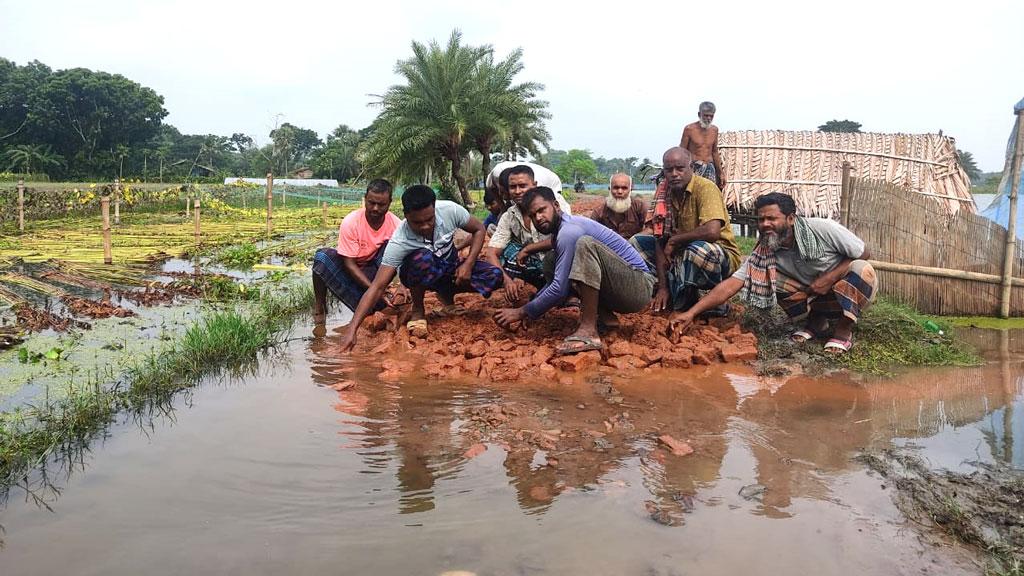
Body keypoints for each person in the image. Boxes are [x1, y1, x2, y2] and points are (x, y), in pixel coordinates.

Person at [670, 192, 878, 354]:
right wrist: (691, 313)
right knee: (767, 277)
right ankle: (816, 322)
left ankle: (844, 328)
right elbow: (733, 283)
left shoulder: (823, 229)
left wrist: (829, 277)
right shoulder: (765, 249)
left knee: (862, 269)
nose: (765, 224)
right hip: (815, 296)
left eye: (772, 218)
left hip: (847, 291)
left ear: (790, 218)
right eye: (761, 219)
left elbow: (864, 253)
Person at [494, 187, 655, 355]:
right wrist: (530, 312)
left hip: (638, 287)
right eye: (533, 215)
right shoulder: (562, 231)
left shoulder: (569, 231)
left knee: (585, 245)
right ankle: (607, 318)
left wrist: (521, 312)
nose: (539, 218)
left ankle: (588, 331)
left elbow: (560, 289)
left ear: (556, 206)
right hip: (622, 286)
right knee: (551, 260)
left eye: (542, 210)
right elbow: (553, 284)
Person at [340, 185, 502, 351]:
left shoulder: (450, 210)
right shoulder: (399, 240)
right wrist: (352, 329)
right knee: (421, 258)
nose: (425, 226)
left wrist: (468, 264)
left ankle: (447, 293)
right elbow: (377, 286)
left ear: (434, 208)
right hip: (424, 272)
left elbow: (479, 229)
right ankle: (418, 308)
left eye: (429, 220)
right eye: (417, 222)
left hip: (451, 267)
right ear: (406, 215)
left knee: (494, 275)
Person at [635, 147, 741, 312]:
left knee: (696, 250)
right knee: (636, 244)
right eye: (669, 170)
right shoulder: (664, 192)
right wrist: (663, 287)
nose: (674, 174)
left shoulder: (706, 188)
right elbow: (659, 239)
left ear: (691, 168)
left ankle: (690, 303)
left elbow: (712, 232)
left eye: (680, 168)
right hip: (680, 252)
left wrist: (675, 240)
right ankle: (660, 292)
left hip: (717, 256)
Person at [312, 179, 403, 321]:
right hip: (351, 270)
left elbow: (404, 259)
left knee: (392, 246)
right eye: (371, 203)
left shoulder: (397, 225)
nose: (375, 208)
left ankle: (371, 301)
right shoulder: (351, 222)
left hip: (375, 272)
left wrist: (402, 286)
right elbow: (349, 264)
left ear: (389, 203)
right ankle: (319, 307)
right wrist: (376, 291)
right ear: (365, 199)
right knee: (322, 257)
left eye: (381, 204)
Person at [486, 164, 573, 304]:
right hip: (538, 265)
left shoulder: (553, 202)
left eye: (522, 185)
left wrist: (528, 249)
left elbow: (568, 238)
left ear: (534, 185)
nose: (518, 191)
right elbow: (491, 253)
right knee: (507, 254)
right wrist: (506, 281)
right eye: (513, 187)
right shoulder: (509, 216)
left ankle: (569, 294)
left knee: (561, 253)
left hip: (559, 262)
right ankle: (542, 289)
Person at [680, 101, 726, 189]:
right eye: (706, 115)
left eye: (711, 116)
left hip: (709, 168)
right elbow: (682, 151)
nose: (708, 118)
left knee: (709, 195)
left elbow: (715, 152)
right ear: (699, 114)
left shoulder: (714, 130)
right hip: (693, 168)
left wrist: (720, 173)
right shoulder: (689, 129)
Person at [590, 172, 647, 240]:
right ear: (610, 189)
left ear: (630, 190)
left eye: (624, 188)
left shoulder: (639, 206)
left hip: (633, 248)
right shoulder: (599, 211)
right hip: (608, 247)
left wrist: (634, 240)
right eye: (616, 188)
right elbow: (591, 232)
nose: (620, 191)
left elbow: (650, 229)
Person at [486, 160, 563, 205]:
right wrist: (503, 208)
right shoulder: (496, 173)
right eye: (512, 187)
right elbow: (491, 188)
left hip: (552, 183)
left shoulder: (538, 184)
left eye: (504, 193)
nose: (501, 195)